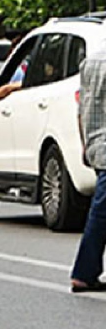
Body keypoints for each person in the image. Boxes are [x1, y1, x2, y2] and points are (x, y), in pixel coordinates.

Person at [70, 46, 106, 292]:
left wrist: (85, 145)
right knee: (101, 212)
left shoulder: (91, 61)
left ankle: (86, 271)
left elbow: (81, 110)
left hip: (96, 143)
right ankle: (84, 271)